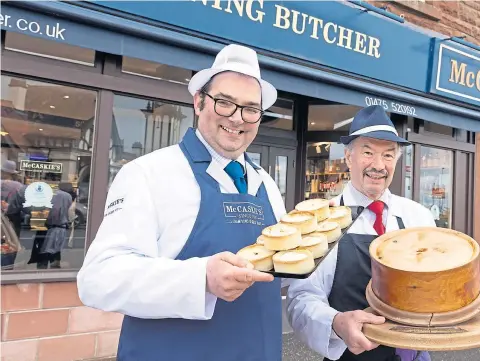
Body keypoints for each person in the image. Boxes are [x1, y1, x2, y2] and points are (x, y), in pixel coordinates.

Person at [77, 44, 287, 361]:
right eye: (224, 103)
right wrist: (201, 278)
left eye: (250, 109)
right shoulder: (148, 174)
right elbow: (99, 279)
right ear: (199, 102)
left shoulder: (267, 184)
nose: (237, 118)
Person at [285, 105, 435, 361]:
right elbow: (301, 300)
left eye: (388, 155)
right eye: (368, 152)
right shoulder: (322, 222)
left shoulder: (418, 217)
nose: (378, 165)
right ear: (347, 157)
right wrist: (336, 322)